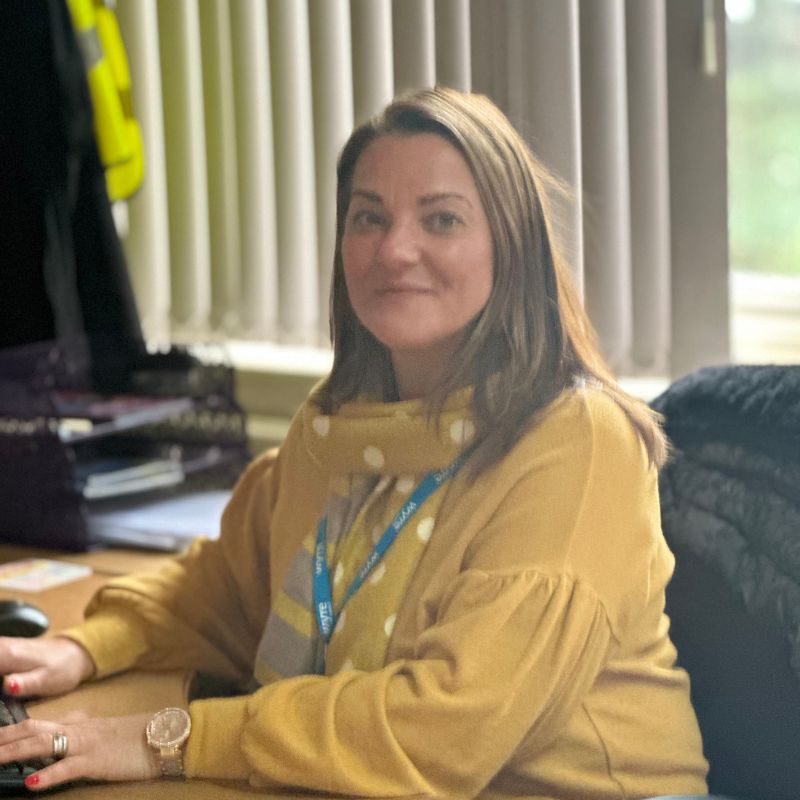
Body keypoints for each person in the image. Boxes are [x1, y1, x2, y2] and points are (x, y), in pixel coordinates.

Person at [0, 87, 708, 798]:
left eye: (442, 219)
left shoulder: (577, 445)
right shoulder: (337, 430)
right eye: (369, 217)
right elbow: (226, 586)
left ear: (511, 246)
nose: (395, 249)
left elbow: (444, 733)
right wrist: (81, 648)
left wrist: (173, 738)